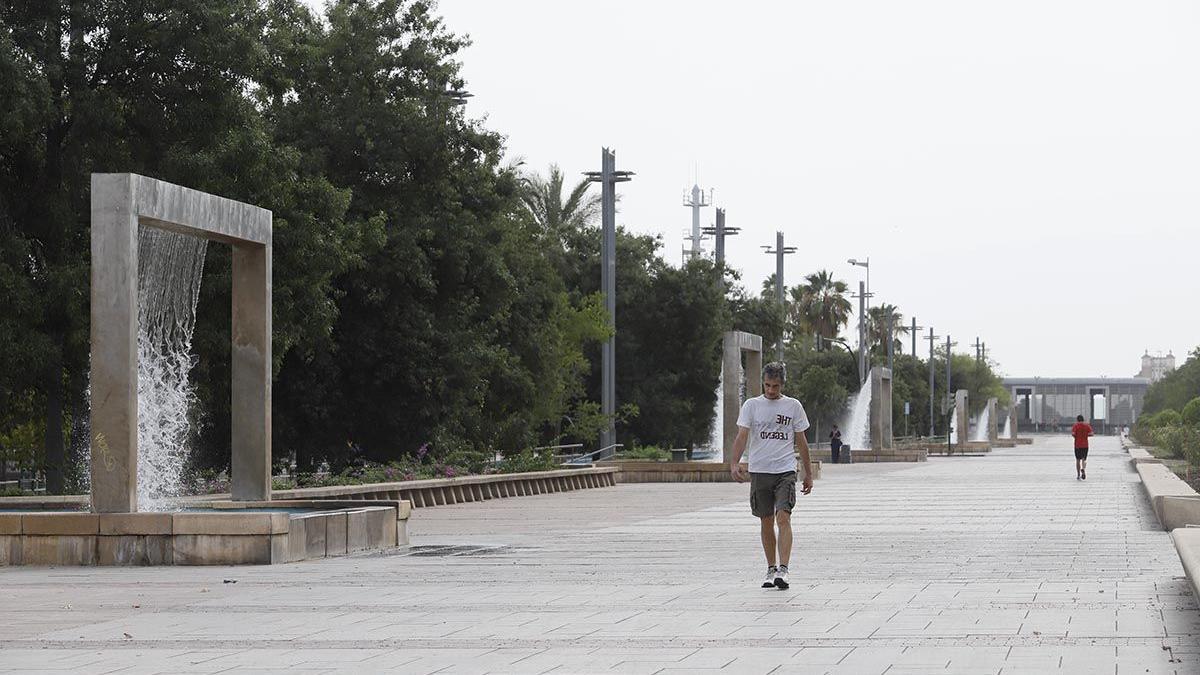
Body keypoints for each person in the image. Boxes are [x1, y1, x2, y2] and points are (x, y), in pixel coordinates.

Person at [730, 362, 814, 590]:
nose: (770, 390)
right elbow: (742, 436)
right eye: (767, 385)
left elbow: (802, 441)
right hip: (759, 471)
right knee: (766, 521)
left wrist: (807, 472)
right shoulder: (752, 406)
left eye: (775, 386)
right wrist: (734, 462)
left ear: (782, 384)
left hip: (785, 470)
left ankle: (784, 570)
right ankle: (771, 568)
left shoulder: (793, 406)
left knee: (783, 518)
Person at [1071, 414, 1094, 480]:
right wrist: (1086, 435)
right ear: (1083, 419)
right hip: (1085, 445)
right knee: (1084, 459)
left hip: (1077, 445)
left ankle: (1078, 475)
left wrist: (1076, 436)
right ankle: (1083, 469)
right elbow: (1092, 433)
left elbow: (1073, 434)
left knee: (1078, 460)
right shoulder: (1087, 425)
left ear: (1077, 420)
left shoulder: (1075, 426)